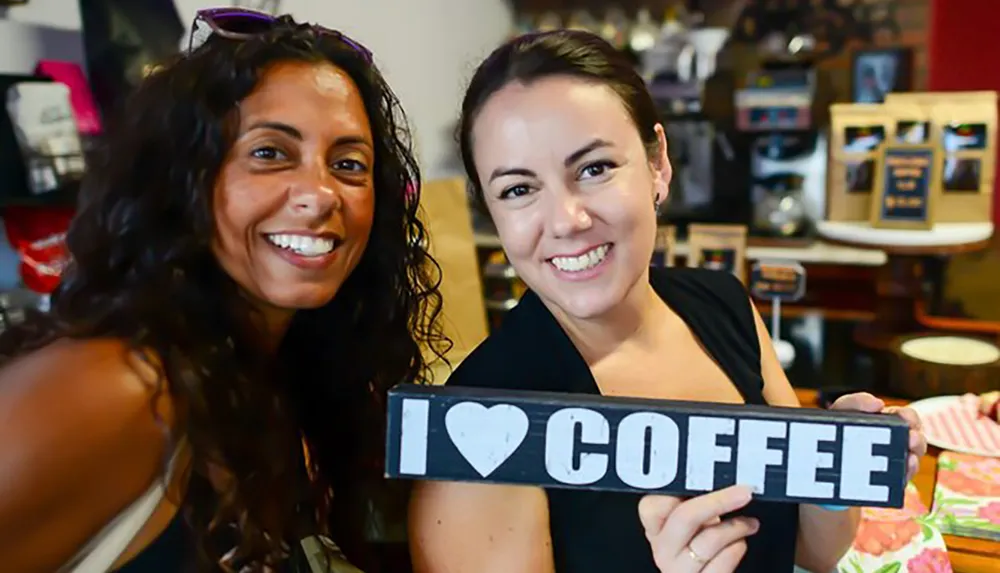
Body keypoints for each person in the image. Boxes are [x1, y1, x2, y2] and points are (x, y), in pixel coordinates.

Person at [408, 30, 925, 573]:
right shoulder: (479, 429)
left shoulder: (725, 306)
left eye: (594, 169)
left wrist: (831, 465)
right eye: (519, 190)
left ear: (658, 163)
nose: (566, 221)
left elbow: (811, 552)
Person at [0, 8, 448, 572]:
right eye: (269, 153)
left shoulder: (283, 384)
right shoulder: (121, 389)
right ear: (184, 182)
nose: (320, 193)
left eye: (349, 164)